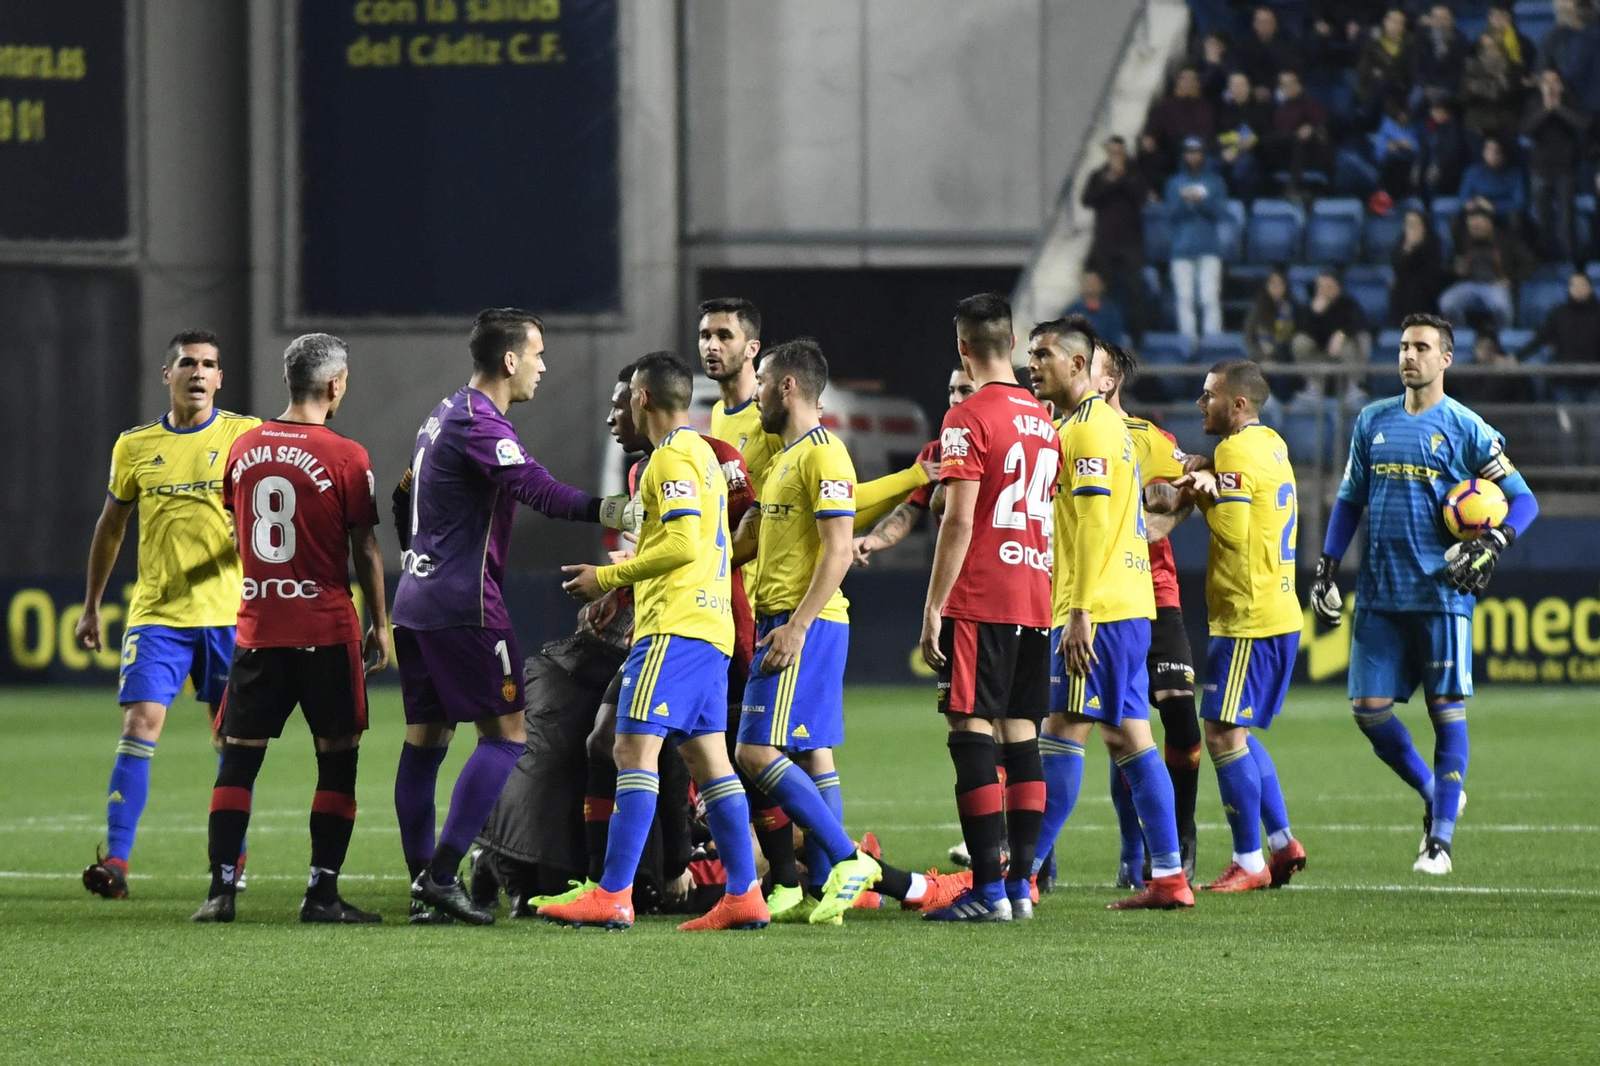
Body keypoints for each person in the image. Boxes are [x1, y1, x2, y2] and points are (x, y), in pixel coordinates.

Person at [390, 308, 632, 926]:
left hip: (415, 598)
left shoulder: (440, 414)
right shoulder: (480, 421)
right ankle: (442, 877)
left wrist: (421, 553)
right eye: (539, 354)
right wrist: (615, 510)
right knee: (508, 736)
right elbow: (536, 489)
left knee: (426, 742)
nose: (544, 366)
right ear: (509, 360)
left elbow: (401, 495)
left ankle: (425, 884)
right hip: (463, 604)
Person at [545, 352, 769, 932]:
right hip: (711, 627)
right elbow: (694, 540)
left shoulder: (667, 458)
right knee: (708, 760)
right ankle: (744, 895)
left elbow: (684, 547)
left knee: (631, 751)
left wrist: (609, 576)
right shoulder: (700, 454)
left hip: (674, 628)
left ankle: (613, 893)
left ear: (642, 396)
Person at [1312, 314, 1541, 874]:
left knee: (1445, 710)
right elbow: (1349, 500)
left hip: (1441, 593)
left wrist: (1494, 539)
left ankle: (1439, 840)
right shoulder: (1372, 421)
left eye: (1421, 347)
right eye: (1403, 346)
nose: (1409, 356)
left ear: (1446, 359)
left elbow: (1524, 500)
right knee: (1368, 712)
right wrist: (1326, 565)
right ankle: (1437, 791)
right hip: (1380, 592)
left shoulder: (1467, 428)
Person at [190, 334, 388, 924]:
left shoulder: (244, 447)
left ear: (287, 381)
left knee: (239, 760)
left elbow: (237, 528)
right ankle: (321, 894)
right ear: (335, 385)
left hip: (258, 628)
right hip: (326, 629)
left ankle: (220, 891)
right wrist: (381, 623)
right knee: (338, 757)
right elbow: (366, 546)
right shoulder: (347, 456)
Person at [78, 331, 260, 900]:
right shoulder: (135, 446)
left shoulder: (244, 435)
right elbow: (111, 528)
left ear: (220, 378)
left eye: (209, 364)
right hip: (157, 613)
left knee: (231, 739)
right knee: (139, 726)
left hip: (229, 615)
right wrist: (91, 607)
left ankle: (231, 860)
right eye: (187, 363)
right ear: (168, 375)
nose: (198, 372)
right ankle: (116, 862)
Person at [723, 338, 893, 926]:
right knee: (811, 751)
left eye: (764, 381)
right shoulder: (787, 458)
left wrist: (796, 625)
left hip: (806, 623)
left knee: (753, 750)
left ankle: (848, 860)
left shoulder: (825, 455)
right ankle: (825, 885)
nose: (758, 393)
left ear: (787, 385)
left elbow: (839, 549)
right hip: (785, 619)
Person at [1025, 318, 1192, 911]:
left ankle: (1022, 872)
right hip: (1121, 604)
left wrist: (1079, 610)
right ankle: (1170, 877)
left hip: (1099, 606)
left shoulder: (1091, 428)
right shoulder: (1083, 424)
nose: (1033, 363)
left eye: (1043, 354)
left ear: (1077, 364)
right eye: (1030, 353)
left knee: (1063, 730)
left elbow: (1096, 523)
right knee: (1129, 738)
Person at [918, 294, 1055, 922]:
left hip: (982, 594)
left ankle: (989, 891)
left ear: (963, 348)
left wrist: (935, 605)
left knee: (970, 731)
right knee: (1021, 734)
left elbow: (959, 517)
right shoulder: (1043, 419)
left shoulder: (967, 417)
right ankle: (1022, 887)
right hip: (1036, 593)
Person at [1184, 360, 1307, 892]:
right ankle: (1281, 843)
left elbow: (1232, 530)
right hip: (1277, 609)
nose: (1199, 402)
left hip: (1247, 617)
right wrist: (1211, 472)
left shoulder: (1234, 451)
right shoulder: (1272, 443)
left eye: (1209, 395)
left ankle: (1249, 859)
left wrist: (1197, 491)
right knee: (1237, 729)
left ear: (1238, 405)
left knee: (1220, 732)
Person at [1094, 344, 1205, 887]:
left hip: (1156, 595)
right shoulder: (1065, 432)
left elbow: (1197, 474)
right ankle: (1132, 848)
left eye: (1085, 361)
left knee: (1181, 721)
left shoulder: (1145, 437)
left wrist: (1165, 523)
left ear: (1110, 377)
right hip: (1101, 598)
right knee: (1124, 723)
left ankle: (1182, 832)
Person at [699, 297, 935, 533]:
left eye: (724, 336)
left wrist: (909, 480)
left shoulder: (775, 418)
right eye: (705, 336)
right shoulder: (720, 412)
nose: (712, 345)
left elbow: (844, 505)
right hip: (736, 567)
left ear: (752, 348)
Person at [853, 367, 976, 566]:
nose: (955, 399)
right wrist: (871, 541)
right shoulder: (935, 454)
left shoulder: (1006, 450)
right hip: (954, 572)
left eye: (966, 391)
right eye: (952, 391)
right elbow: (907, 513)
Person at [1081, 136, 1151, 342]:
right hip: (1105, 241)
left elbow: (1140, 197)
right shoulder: (1099, 175)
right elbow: (1087, 199)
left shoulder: (1135, 173)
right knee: (1107, 292)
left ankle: (1138, 340)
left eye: (1119, 152)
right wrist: (1109, 182)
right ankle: (1108, 339)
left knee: (1134, 291)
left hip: (1130, 242)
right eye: (1112, 153)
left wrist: (1122, 178)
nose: (1115, 157)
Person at [1522, 69, 1587, 261]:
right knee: (1543, 220)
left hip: (1564, 170)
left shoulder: (1570, 101)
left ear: (1561, 84)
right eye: (1546, 82)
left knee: (1567, 222)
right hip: (1540, 170)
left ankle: (1570, 263)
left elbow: (1582, 124)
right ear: (1540, 85)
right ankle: (1545, 261)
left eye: (1554, 81)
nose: (1550, 85)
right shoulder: (1533, 103)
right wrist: (1546, 110)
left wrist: (1558, 108)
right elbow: (1527, 129)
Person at [1165, 137, 1227, 343]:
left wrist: (1201, 201)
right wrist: (1185, 202)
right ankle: (1187, 342)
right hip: (1181, 248)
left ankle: (1212, 342)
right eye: (1189, 152)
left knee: (1209, 297)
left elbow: (1220, 212)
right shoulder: (1174, 183)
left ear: (1203, 155)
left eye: (1197, 151)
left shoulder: (1215, 182)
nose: (1193, 156)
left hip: (1209, 247)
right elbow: (1170, 213)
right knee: (1184, 298)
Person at [1439, 207, 1535, 329]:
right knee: (1446, 302)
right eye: (1472, 227)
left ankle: (1504, 335)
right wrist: (1456, 269)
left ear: (1488, 223)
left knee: (1501, 306)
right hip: (1470, 284)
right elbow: (1450, 263)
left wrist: (1511, 279)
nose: (1474, 230)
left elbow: (1530, 263)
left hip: (1495, 285)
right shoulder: (1464, 240)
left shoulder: (1505, 240)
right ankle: (1460, 331)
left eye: (1478, 226)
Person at [1517, 271, 1600, 401]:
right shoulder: (1559, 314)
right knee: (1567, 419)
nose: (1578, 289)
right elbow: (1540, 339)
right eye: (1574, 285)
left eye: (1581, 285)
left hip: (1594, 382)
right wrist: (1517, 357)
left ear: (1590, 287)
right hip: (1564, 381)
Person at [1292, 270, 1372, 405]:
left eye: (1328, 287)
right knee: (1299, 342)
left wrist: (1341, 335)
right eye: (1320, 287)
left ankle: (1353, 386)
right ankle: (1314, 386)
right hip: (1320, 355)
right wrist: (1315, 315)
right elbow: (1304, 332)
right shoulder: (1310, 307)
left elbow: (1359, 324)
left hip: (1346, 354)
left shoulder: (1348, 304)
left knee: (1360, 339)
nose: (1323, 291)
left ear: (1338, 288)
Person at [1266, 69, 1333, 195]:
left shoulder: (1311, 105)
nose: (1288, 88)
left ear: (1299, 85)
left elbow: (1322, 129)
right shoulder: (1272, 108)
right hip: (1279, 151)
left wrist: (1311, 129)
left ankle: (1293, 188)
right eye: (1283, 85)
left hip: (1308, 152)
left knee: (1299, 140)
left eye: (1291, 83)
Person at [1141, 66, 1216, 178]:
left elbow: (1207, 133)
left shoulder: (1205, 107)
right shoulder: (1167, 105)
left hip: (1196, 150)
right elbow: (1154, 127)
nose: (1188, 83)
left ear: (1197, 83)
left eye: (1192, 80)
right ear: (1178, 82)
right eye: (1184, 79)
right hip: (1170, 149)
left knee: (1191, 149)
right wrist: (1149, 138)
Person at [1244, 267, 1303, 401]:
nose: (1276, 288)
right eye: (1272, 284)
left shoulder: (1294, 309)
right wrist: (1262, 357)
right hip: (1261, 360)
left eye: (1280, 284)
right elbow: (1249, 338)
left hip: (1286, 360)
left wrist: (1277, 355)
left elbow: (1297, 337)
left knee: (1283, 375)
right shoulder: (1257, 309)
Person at [1215, 71, 1272, 201]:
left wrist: (1246, 146)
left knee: (1242, 166)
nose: (1238, 88)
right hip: (1226, 153)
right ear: (1229, 89)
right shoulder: (1222, 111)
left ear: (1248, 87)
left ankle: (1244, 208)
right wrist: (1224, 151)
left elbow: (1266, 137)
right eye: (1234, 85)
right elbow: (1215, 137)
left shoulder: (1261, 110)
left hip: (1255, 156)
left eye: (1242, 85)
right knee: (1210, 163)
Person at [1460, 32, 1525, 140]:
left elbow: (1517, 96)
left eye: (1494, 46)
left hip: (1507, 124)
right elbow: (1464, 96)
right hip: (1479, 124)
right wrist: (1487, 89)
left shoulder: (1514, 68)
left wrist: (1481, 88)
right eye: (1486, 47)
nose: (1490, 50)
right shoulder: (1471, 69)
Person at [1390, 208, 1446, 323]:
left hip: (1426, 286)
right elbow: (1397, 266)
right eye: (1408, 224)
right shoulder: (1401, 242)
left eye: (1414, 224)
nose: (1410, 228)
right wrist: (1408, 248)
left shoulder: (1432, 241)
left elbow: (1432, 268)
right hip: (1403, 286)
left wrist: (1416, 247)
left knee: (1417, 287)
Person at [1452, 331, 1537, 405]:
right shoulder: (1466, 371)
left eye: (1488, 347)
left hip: (1502, 418)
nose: (1484, 352)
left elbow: (1527, 397)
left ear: (1495, 349)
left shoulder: (1508, 373)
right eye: (1481, 347)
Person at [1236, 6, 1302, 102]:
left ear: (1275, 23)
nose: (1264, 25)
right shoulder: (1244, 44)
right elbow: (1240, 68)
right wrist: (1254, 88)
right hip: (1251, 90)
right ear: (1254, 24)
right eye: (1260, 22)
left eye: (1267, 22)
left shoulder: (1288, 43)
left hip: (1280, 89)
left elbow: (1293, 68)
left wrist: (1272, 88)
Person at [1413, 3, 1469, 108]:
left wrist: (1438, 87)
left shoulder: (1461, 41)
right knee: (1413, 103)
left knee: (1444, 105)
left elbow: (1460, 71)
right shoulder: (1421, 38)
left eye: (1444, 18)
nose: (1440, 22)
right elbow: (1416, 65)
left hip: (1447, 86)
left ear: (1452, 20)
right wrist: (1426, 85)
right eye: (1436, 18)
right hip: (1424, 84)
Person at [1357, 8, 1414, 110]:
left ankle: (1366, 114)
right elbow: (1363, 66)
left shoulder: (1409, 44)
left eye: (1400, 23)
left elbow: (1408, 72)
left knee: (1386, 84)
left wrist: (1384, 74)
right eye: (1393, 21)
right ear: (1385, 22)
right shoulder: (1373, 41)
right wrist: (1373, 73)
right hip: (1373, 85)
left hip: (1397, 87)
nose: (1396, 26)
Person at [1458, 137, 1527, 221]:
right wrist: (1469, 203)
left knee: (1515, 218)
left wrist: (1494, 207)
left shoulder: (1514, 174)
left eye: (1495, 151)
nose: (1491, 154)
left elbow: (1519, 203)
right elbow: (1463, 195)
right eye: (1488, 150)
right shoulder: (1473, 172)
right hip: (1477, 212)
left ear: (1503, 155)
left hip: (1502, 214)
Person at [1370, 94, 1421, 198]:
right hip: (1390, 165)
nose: (1406, 117)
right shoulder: (1386, 126)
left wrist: (1409, 145)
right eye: (1403, 114)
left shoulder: (1412, 128)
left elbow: (1419, 148)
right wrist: (1391, 147)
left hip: (1408, 165)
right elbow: (1378, 152)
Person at [1421, 99, 1471, 196]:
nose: (1432, 114)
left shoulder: (1455, 131)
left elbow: (1451, 154)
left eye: (1436, 110)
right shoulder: (1437, 129)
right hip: (1432, 171)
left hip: (1446, 176)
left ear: (1446, 112)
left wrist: (1438, 167)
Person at [1065, 270, 1127, 345]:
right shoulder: (1074, 309)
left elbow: (1116, 335)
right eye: (1088, 282)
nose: (1091, 285)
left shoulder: (1110, 311)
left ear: (1101, 285)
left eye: (1094, 282)